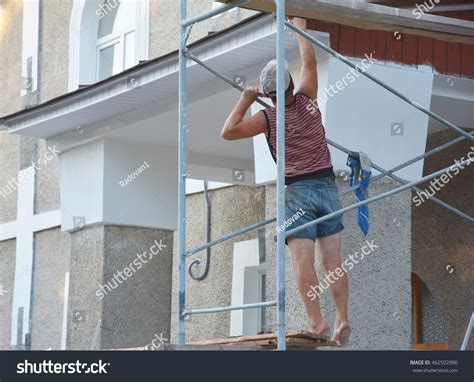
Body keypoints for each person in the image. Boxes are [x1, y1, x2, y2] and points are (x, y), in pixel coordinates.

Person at [220, 17, 350, 346]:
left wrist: (246, 100)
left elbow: (228, 132)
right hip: (327, 187)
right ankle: (343, 319)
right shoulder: (309, 99)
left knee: (302, 261)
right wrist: (299, 29)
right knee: (332, 262)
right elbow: (308, 60)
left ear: (269, 93)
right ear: (292, 84)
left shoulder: (268, 118)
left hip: (297, 194)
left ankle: (317, 322)